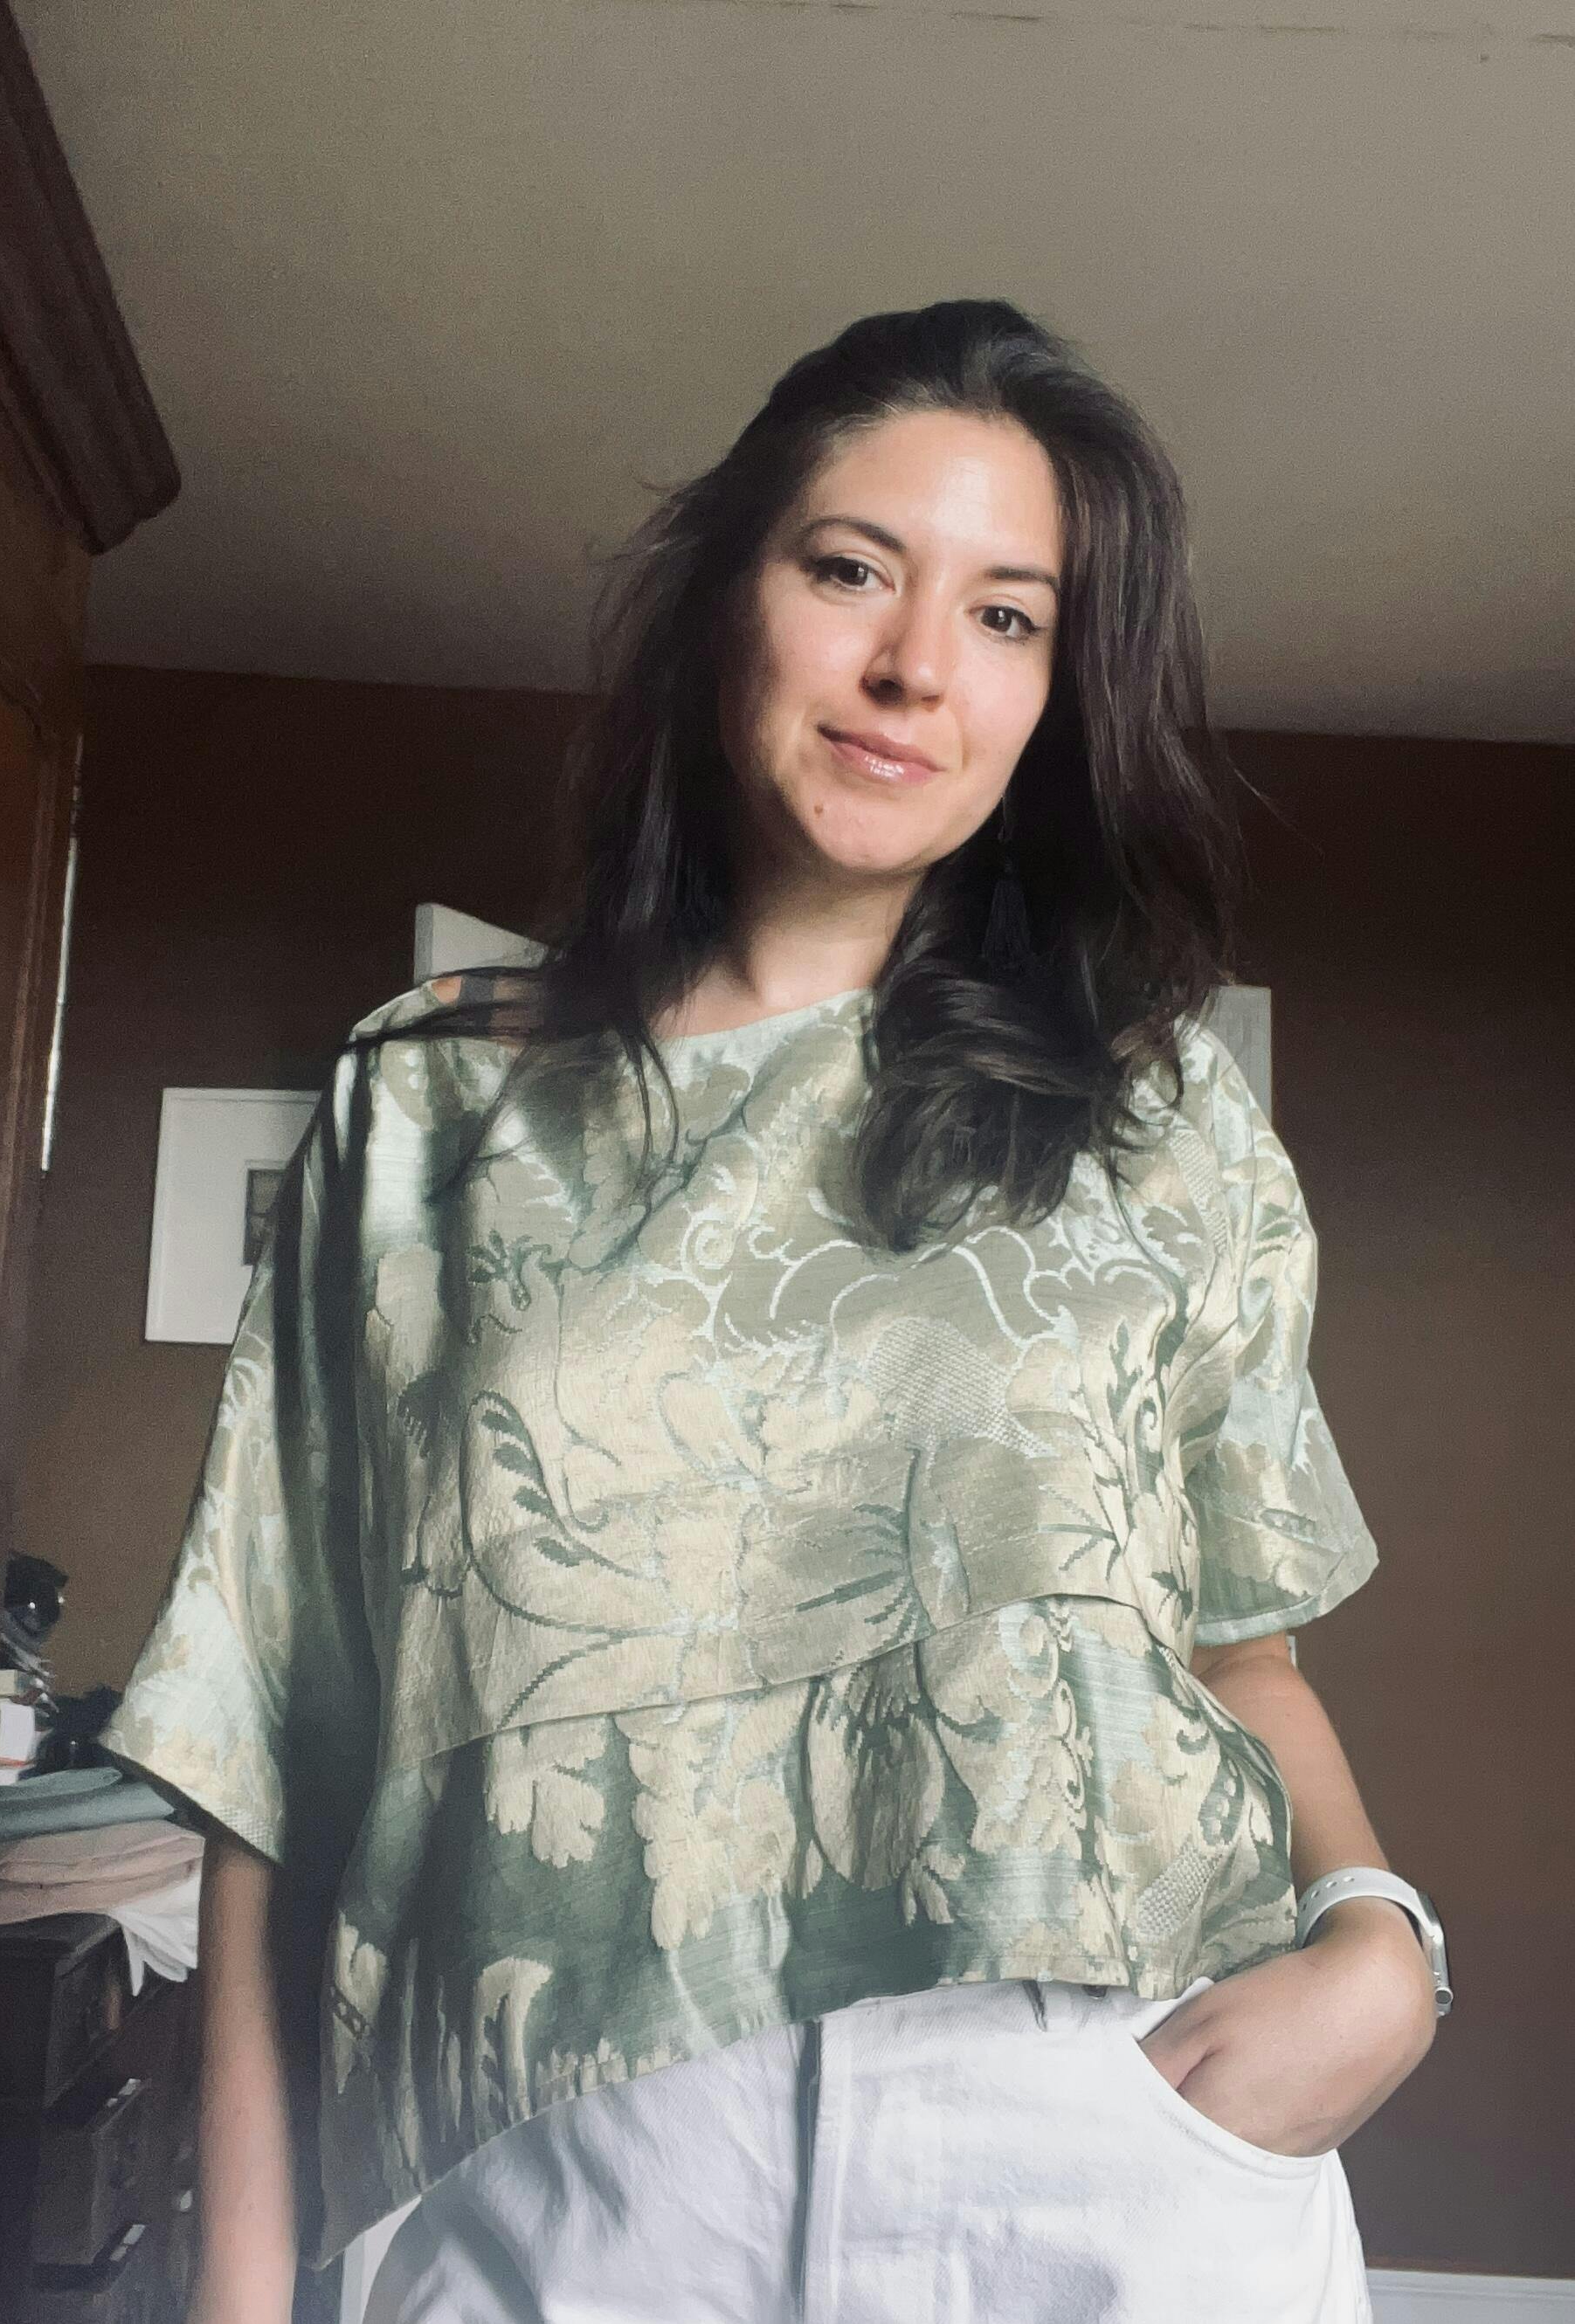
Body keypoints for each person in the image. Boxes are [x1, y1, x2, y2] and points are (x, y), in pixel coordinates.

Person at [104, 300, 1443, 2324]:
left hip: (1100, 2124)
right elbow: (277, 1732)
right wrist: (239, 2296)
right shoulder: (431, 1100)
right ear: (723, 594)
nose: (915, 665)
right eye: (849, 570)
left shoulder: (1153, 1111)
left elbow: (1235, 1645)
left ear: (1054, 692)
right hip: (563, 2174)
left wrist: (1379, 1947)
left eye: (1007, 615)